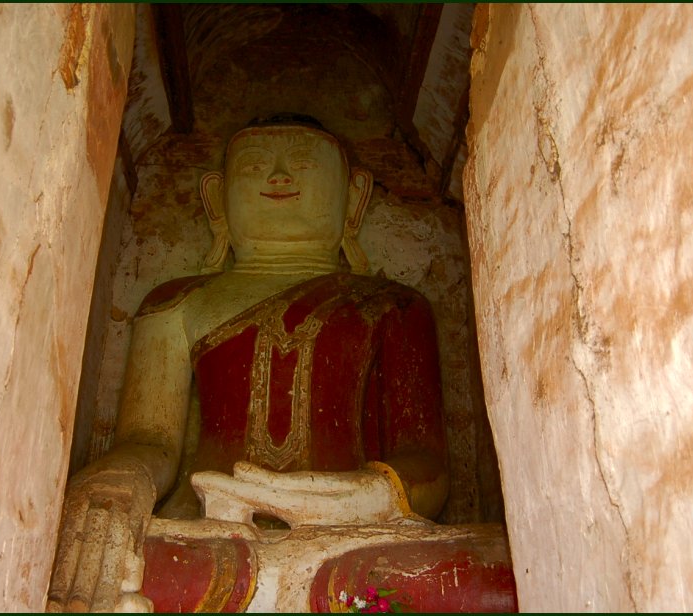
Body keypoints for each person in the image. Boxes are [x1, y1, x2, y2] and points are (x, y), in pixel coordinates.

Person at [46, 115, 450, 613]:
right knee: (113, 565)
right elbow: (148, 440)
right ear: (216, 200)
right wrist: (114, 483)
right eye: (256, 167)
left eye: (303, 165)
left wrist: (356, 497)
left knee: (480, 573)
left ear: (355, 197)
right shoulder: (177, 303)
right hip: (212, 532)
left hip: (350, 537)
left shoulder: (395, 305)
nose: (279, 177)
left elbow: (427, 464)